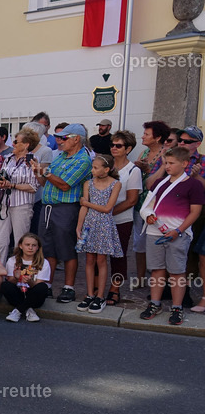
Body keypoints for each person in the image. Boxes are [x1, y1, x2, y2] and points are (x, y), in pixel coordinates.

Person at [139, 146, 204, 325]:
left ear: (184, 163)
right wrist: (148, 216)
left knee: (177, 272)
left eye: (171, 163)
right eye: (166, 162)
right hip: (154, 232)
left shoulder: (194, 185)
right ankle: (155, 303)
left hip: (178, 234)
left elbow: (195, 212)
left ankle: (177, 307)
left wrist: (179, 230)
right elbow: (148, 205)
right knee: (157, 269)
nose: (167, 166)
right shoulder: (160, 182)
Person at [32, 123, 92, 303]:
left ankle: (69, 288)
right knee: (48, 249)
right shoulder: (60, 157)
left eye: (64, 138)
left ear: (76, 139)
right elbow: (46, 182)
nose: (59, 141)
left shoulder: (83, 160)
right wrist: (37, 172)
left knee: (67, 249)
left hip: (66, 208)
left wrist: (44, 171)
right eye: (58, 137)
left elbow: (65, 185)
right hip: (48, 207)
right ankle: (48, 285)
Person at [74, 154, 124, 313]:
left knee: (101, 260)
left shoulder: (115, 184)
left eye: (96, 167)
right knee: (89, 259)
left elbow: (108, 208)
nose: (92, 170)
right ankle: (90, 294)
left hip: (104, 224)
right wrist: (79, 226)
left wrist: (87, 203)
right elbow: (83, 207)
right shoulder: (88, 183)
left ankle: (100, 296)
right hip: (89, 224)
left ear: (106, 169)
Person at [132, 121, 171, 283]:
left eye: (147, 134)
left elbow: (158, 181)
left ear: (158, 137)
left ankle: (160, 280)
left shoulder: (167, 154)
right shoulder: (144, 152)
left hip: (158, 205)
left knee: (159, 242)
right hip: (141, 203)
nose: (143, 136)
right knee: (139, 242)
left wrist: (147, 170)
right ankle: (141, 277)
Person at [106, 131, 142, 305]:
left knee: (118, 256)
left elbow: (132, 200)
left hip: (121, 219)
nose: (114, 148)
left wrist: (107, 212)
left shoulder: (133, 170)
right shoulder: (106, 166)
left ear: (128, 149)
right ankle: (96, 288)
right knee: (96, 255)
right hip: (101, 218)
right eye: (112, 144)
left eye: (118, 145)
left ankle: (115, 288)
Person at [0, 128, 40, 260]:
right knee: (1, 240)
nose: (13, 144)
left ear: (26, 145)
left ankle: (18, 269)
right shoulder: (8, 159)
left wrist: (12, 185)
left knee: (20, 240)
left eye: (16, 142)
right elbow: (0, 177)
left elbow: (33, 187)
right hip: (5, 203)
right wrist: (1, 182)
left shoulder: (32, 161)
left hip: (22, 204)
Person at [1, 233, 52, 322]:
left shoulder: (44, 262)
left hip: (33, 294)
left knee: (43, 287)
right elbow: (10, 281)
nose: (30, 248)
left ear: (38, 247)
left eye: (34, 245)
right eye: (27, 245)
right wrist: (16, 278)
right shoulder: (12, 260)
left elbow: (39, 285)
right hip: (18, 293)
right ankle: (29, 310)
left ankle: (18, 311)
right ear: (21, 246)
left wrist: (30, 281)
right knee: (5, 285)